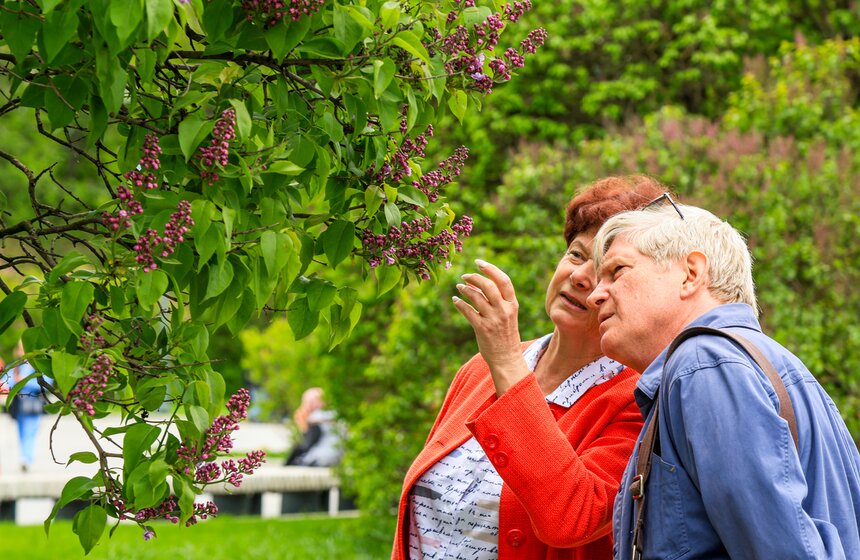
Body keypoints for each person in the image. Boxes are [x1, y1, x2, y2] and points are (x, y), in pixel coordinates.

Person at [392, 176, 671, 559]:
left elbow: (575, 517)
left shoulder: (637, 399)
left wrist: (506, 360)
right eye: (576, 254)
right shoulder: (478, 370)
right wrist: (503, 359)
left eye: (610, 269)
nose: (580, 277)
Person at [587, 201, 860, 560]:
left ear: (691, 273)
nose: (594, 296)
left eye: (617, 271)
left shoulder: (702, 364)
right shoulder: (773, 365)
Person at [4, 341, 47, 473]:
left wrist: (24, 381)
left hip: (34, 403)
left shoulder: (38, 365)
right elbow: (8, 380)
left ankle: (26, 457)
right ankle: (25, 456)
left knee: (31, 429)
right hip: (19, 405)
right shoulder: (15, 366)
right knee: (22, 431)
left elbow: (46, 382)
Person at [285, 387, 343, 468]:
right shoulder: (334, 414)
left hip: (321, 459)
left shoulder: (315, 417)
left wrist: (304, 427)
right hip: (338, 459)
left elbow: (307, 445)